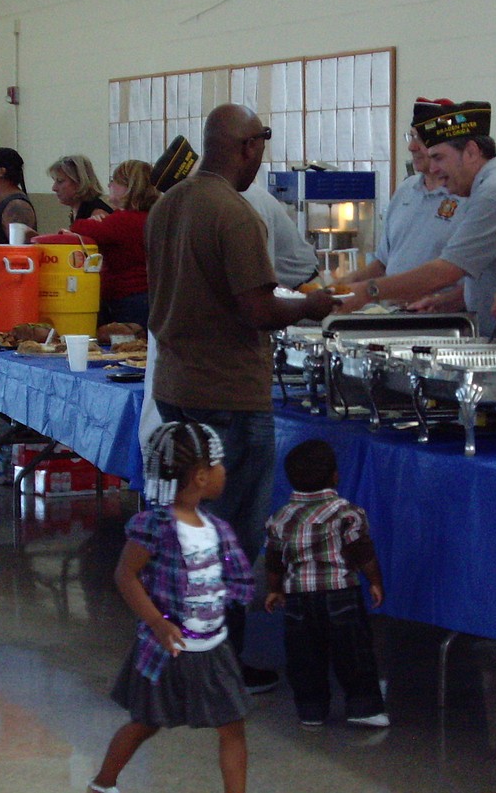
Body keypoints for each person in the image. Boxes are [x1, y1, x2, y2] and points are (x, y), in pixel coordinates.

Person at [146, 103, 337, 694]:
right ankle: (219, 664)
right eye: (261, 145)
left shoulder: (169, 203)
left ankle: (183, 646)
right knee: (230, 537)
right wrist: (310, 306)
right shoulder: (235, 213)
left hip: (176, 386)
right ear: (248, 147)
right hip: (228, 393)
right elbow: (257, 309)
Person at [89, 422, 253, 793]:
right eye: (219, 465)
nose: (224, 471)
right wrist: (158, 623)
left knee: (233, 726)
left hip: (213, 648)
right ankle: (102, 784)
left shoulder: (216, 527)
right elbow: (125, 575)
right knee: (144, 724)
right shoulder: (155, 526)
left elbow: (228, 578)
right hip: (168, 650)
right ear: (201, 477)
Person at [340, 99, 496, 343]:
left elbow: (444, 272)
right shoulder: (485, 187)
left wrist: (368, 291)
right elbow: (489, 273)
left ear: (471, 152)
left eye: (439, 158)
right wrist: (444, 302)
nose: (433, 169)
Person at [264, 439, 388, 728]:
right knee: (353, 652)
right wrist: (375, 582)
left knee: (303, 657)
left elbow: (274, 561)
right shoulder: (347, 513)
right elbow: (363, 553)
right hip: (341, 594)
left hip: (298, 599)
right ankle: (364, 708)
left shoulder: (280, 519)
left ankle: (311, 710)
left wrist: (274, 589)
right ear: (335, 476)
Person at [345, 97, 468, 283]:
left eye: (421, 139)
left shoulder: (467, 195)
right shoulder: (406, 190)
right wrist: (343, 286)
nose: (411, 147)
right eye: (411, 136)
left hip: (438, 302)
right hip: (392, 301)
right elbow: (382, 264)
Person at [70, 159, 157, 329]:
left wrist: (94, 221)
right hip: (149, 295)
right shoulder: (153, 216)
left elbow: (79, 227)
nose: (109, 185)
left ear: (128, 187)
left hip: (127, 299)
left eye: (114, 181)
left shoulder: (123, 221)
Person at [240, 181, 319, 290]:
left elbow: (263, 279)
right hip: (277, 285)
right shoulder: (228, 200)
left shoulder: (251, 206)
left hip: (302, 286)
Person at [49, 154, 112, 223]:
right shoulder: (78, 209)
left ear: (80, 182)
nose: (54, 188)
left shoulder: (98, 215)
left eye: (60, 181)